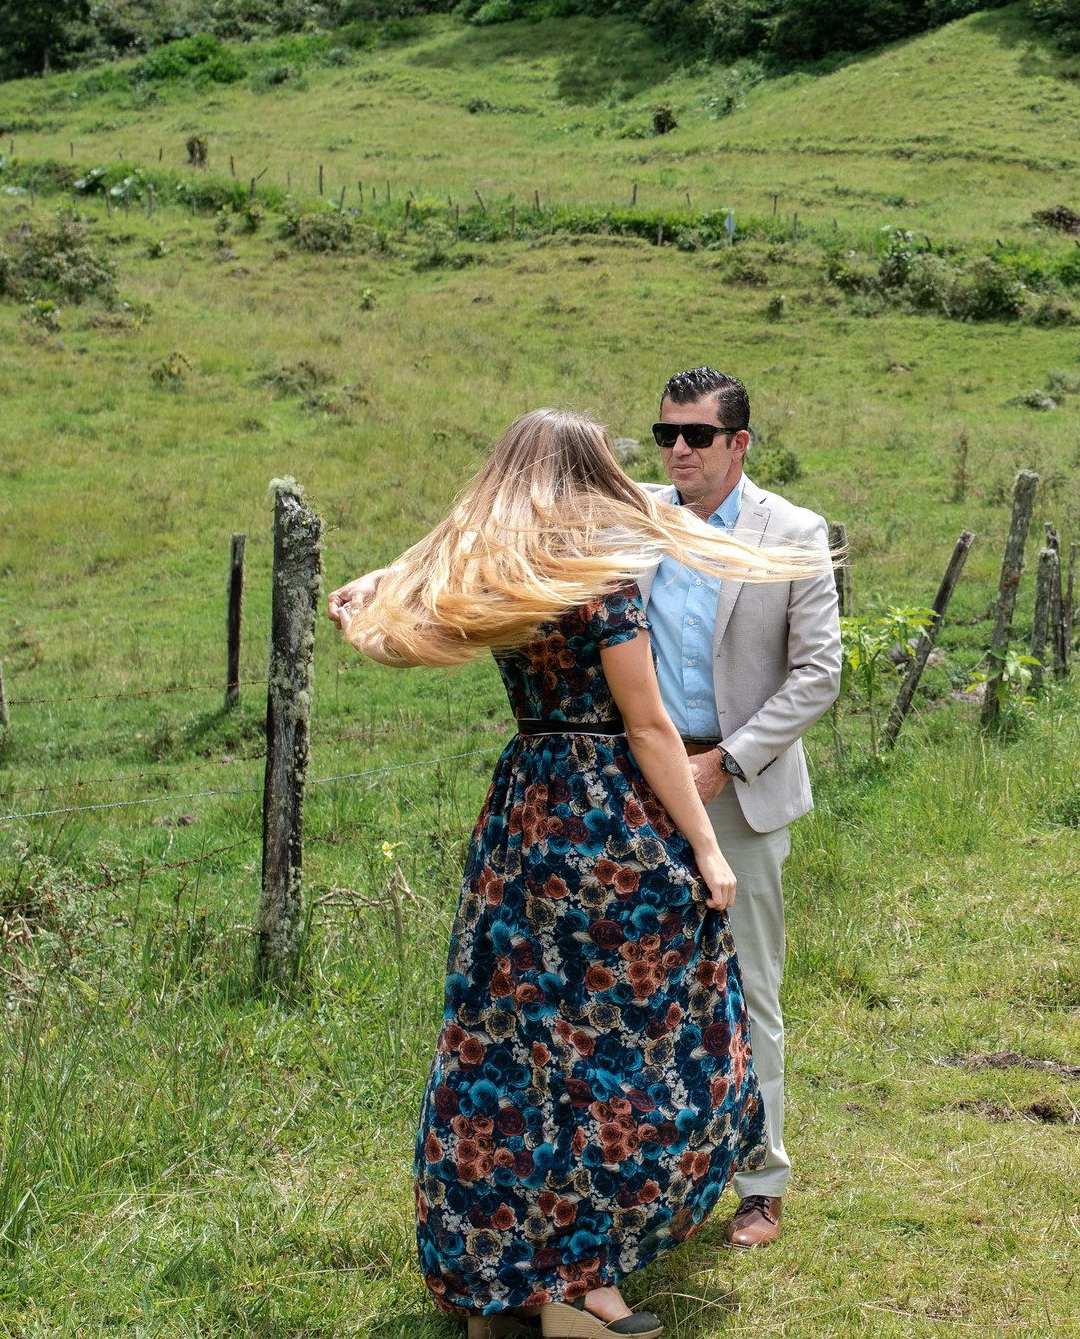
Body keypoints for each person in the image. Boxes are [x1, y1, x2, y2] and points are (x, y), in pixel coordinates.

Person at [331, 408, 820, 1339]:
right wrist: (709, 851)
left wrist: (372, 586)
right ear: (591, 473)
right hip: (605, 821)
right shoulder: (599, 582)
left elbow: (418, 581)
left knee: (510, 1047)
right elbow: (648, 728)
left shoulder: (500, 575)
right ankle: (587, 1279)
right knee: (622, 1050)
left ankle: (509, 1283)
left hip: (525, 811)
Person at [642, 366, 843, 1250]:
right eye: (664, 435)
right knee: (643, 988)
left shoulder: (793, 531)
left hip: (741, 790)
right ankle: (660, 1178)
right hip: (642, 787)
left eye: (695, 434)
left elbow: (818, 673)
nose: (677, 450)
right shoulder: (640, 519)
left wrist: (726, 761)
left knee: (749, 984)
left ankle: (760, 1182)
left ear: (739, 443)